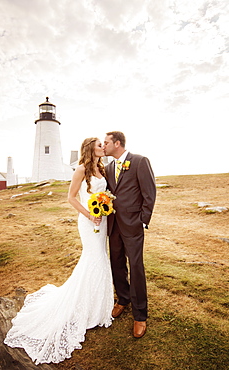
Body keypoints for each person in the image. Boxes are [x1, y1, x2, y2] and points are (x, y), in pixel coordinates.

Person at [4, 137, 114, 364]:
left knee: (101, 259)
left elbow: (103, 194)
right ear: (90, 148)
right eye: (99, 145)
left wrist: (103, 208)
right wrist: (89, 214)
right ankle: (83, 306)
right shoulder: (81, 169)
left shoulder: (101, 168)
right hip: (88, 220)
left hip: (101, 221)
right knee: (93, 259)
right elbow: (71, 198)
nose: (103, 147)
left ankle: (97, 306)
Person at [103, 131, 156, 338]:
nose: (104, 145)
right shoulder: (107, 168)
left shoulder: (140, 161)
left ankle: (140, 315)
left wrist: (143, 220)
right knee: (116, 263)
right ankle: (123, 299)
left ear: (117, 143)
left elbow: (149, 193)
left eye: (106, 142)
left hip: (133, 224)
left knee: (135, 266)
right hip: (113, 223)